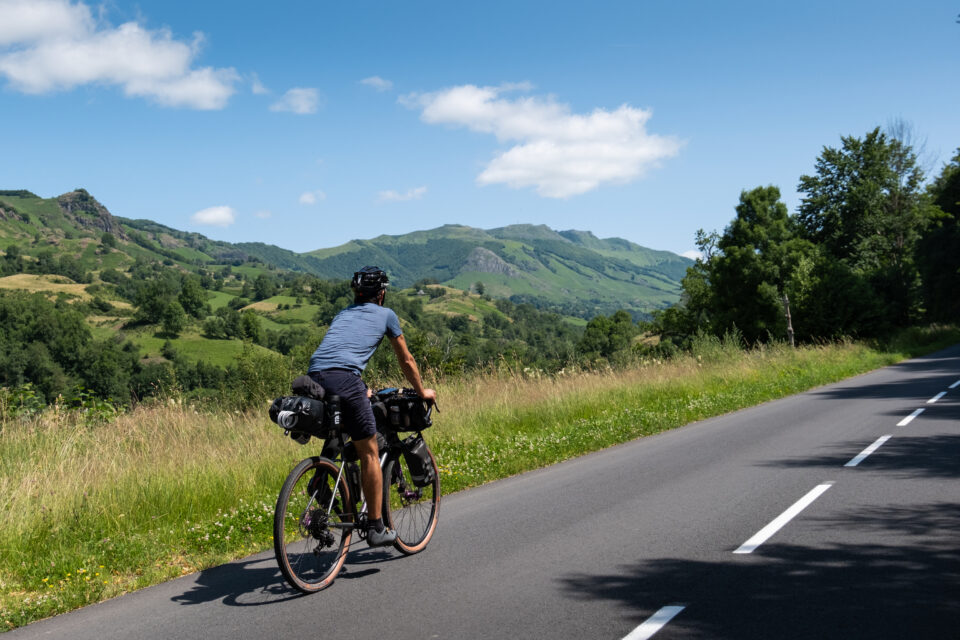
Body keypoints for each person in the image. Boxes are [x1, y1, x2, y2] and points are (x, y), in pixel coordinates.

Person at [307, 266, 437, 547]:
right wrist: (421, 391)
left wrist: (359, 386)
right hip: (345, 379)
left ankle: (320, 479)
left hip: (315, 376)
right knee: (369, 452)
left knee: (338, 432)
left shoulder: (343, 313)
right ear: (382, 293)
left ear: (356, 292)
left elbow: (338, 353)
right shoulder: (386, 315)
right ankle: (377, 527)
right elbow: (407, 360)